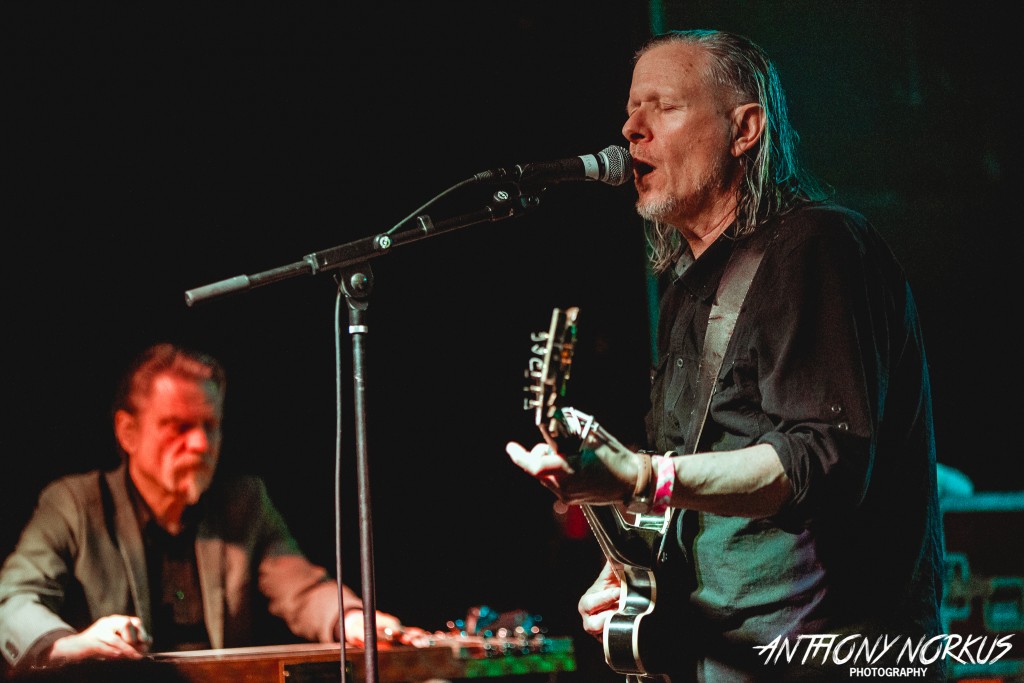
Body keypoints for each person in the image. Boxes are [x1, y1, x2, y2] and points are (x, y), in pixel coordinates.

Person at [507, 29, 945, 682]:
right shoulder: (688, 290)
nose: (631, 129)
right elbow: (689, 489)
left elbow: (826, 458)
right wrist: (630, 571)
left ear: (744, 129)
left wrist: (643, 476)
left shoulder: (818, 246)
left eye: (664, 105)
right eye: (630, 110)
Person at [0, 343, 420, 672]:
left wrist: (356, 623)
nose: (201, 444)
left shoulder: (244, 501)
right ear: (127, 431)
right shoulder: (75, 503)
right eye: (178, 426)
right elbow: (12, 598)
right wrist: (66, 646)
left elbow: (303, 590)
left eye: (210, 426)